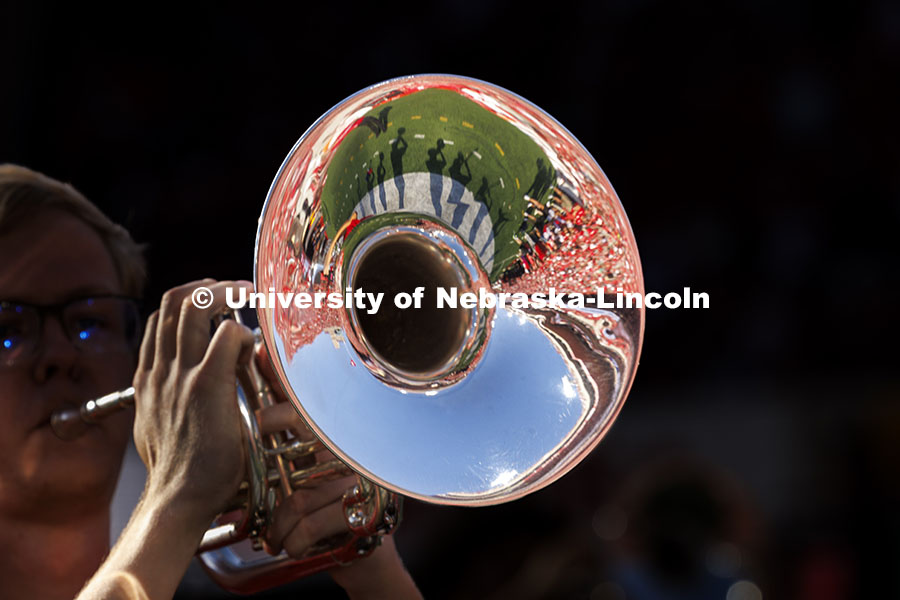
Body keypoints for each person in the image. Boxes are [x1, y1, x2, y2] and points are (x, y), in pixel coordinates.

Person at [0, 165, 420, 599]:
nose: (61, 356)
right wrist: (178, 494)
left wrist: (371, 565)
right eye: (7, 330)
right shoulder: (176, 518)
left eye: (90, 321)